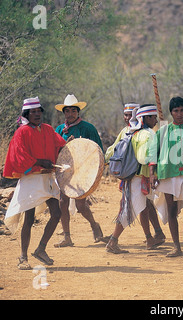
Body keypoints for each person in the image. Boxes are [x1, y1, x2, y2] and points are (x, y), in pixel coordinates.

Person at [3, 97, 66, 269]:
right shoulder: (21, 132)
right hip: (31, 179)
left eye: (39, 111)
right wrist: (39, 161)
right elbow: (19, 156)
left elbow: (60, 144)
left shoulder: (47, 129)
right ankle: (23, 258)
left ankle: (41, 249)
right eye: (33, 112)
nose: (37, 114)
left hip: (46, 178)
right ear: (27, 114)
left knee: (56, 213)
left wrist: (70, 145)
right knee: (29, 218)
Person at [148, 96, 183, 257]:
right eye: (175, 111)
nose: (179, 114)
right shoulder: (163, 131)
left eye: (182, 110)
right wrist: (152, 174)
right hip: (167, 174)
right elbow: (153, 153)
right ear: (171, 112)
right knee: (171, 211)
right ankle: (176, 247)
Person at [106, 104, 166, 254]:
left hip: (133, 176)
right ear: (146, 118)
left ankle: (149, 239)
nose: (155, 121)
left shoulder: (132, 132)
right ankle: (113, 241)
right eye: (153, 117)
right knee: (130, 210)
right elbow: (144, 157)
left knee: (142, 207)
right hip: (140, 177)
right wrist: (153, 170)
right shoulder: (147, 134)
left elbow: (111, 151)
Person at [54, 94, 105, 247]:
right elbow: (55, 151)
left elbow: (98, 151)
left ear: (78, 111)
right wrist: (64, 146)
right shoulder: (59, 129)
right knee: (63, 202)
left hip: (83, 173)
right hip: (65, 172)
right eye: (67, 111)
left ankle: (94, 225)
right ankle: (67, 237)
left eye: (73, 111)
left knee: (80, 205)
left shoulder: (88, 128)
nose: (70, 114)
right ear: (64, 113)